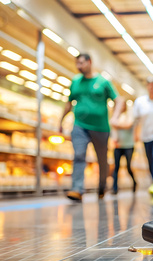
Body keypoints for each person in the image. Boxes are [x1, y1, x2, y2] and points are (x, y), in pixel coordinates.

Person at [59, 53, 124, 202]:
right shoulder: (75, 81)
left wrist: (115, 117)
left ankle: (102, 186)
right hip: (79, 126)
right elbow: (69, 103)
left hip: (101, 128)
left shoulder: (103, 81)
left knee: (102, 160)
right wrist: (61, 121)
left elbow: (119, 100)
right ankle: (77, 189)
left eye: (81, 63)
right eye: (77, 64)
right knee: (79, 155)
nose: (78, 66)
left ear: (90, 62)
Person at [110, 104, 137, 194]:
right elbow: (112, 125)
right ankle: (114, 188)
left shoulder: (129, 115)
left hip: (129, 145)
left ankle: (134, 182)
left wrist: (117, 125)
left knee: (128, 166)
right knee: (116, 167)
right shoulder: (116, 116)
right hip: (118, 145)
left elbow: (128, 125)